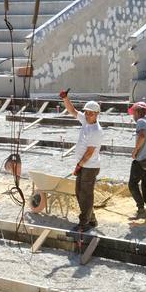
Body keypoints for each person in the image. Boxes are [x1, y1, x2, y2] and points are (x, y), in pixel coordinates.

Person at [59, 90, 103, 232]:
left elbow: (90, 152)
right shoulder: (85, 120)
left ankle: (84, 223)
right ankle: (92, 219)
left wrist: (79, 165)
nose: (88, 115)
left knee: (85, 194)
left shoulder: (96, 131)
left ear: (97, 114)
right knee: (80, 192)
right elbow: (72, 111)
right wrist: (66, 98)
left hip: (89, 166)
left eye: (91, 113)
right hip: (84, 165)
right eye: (87, 112)